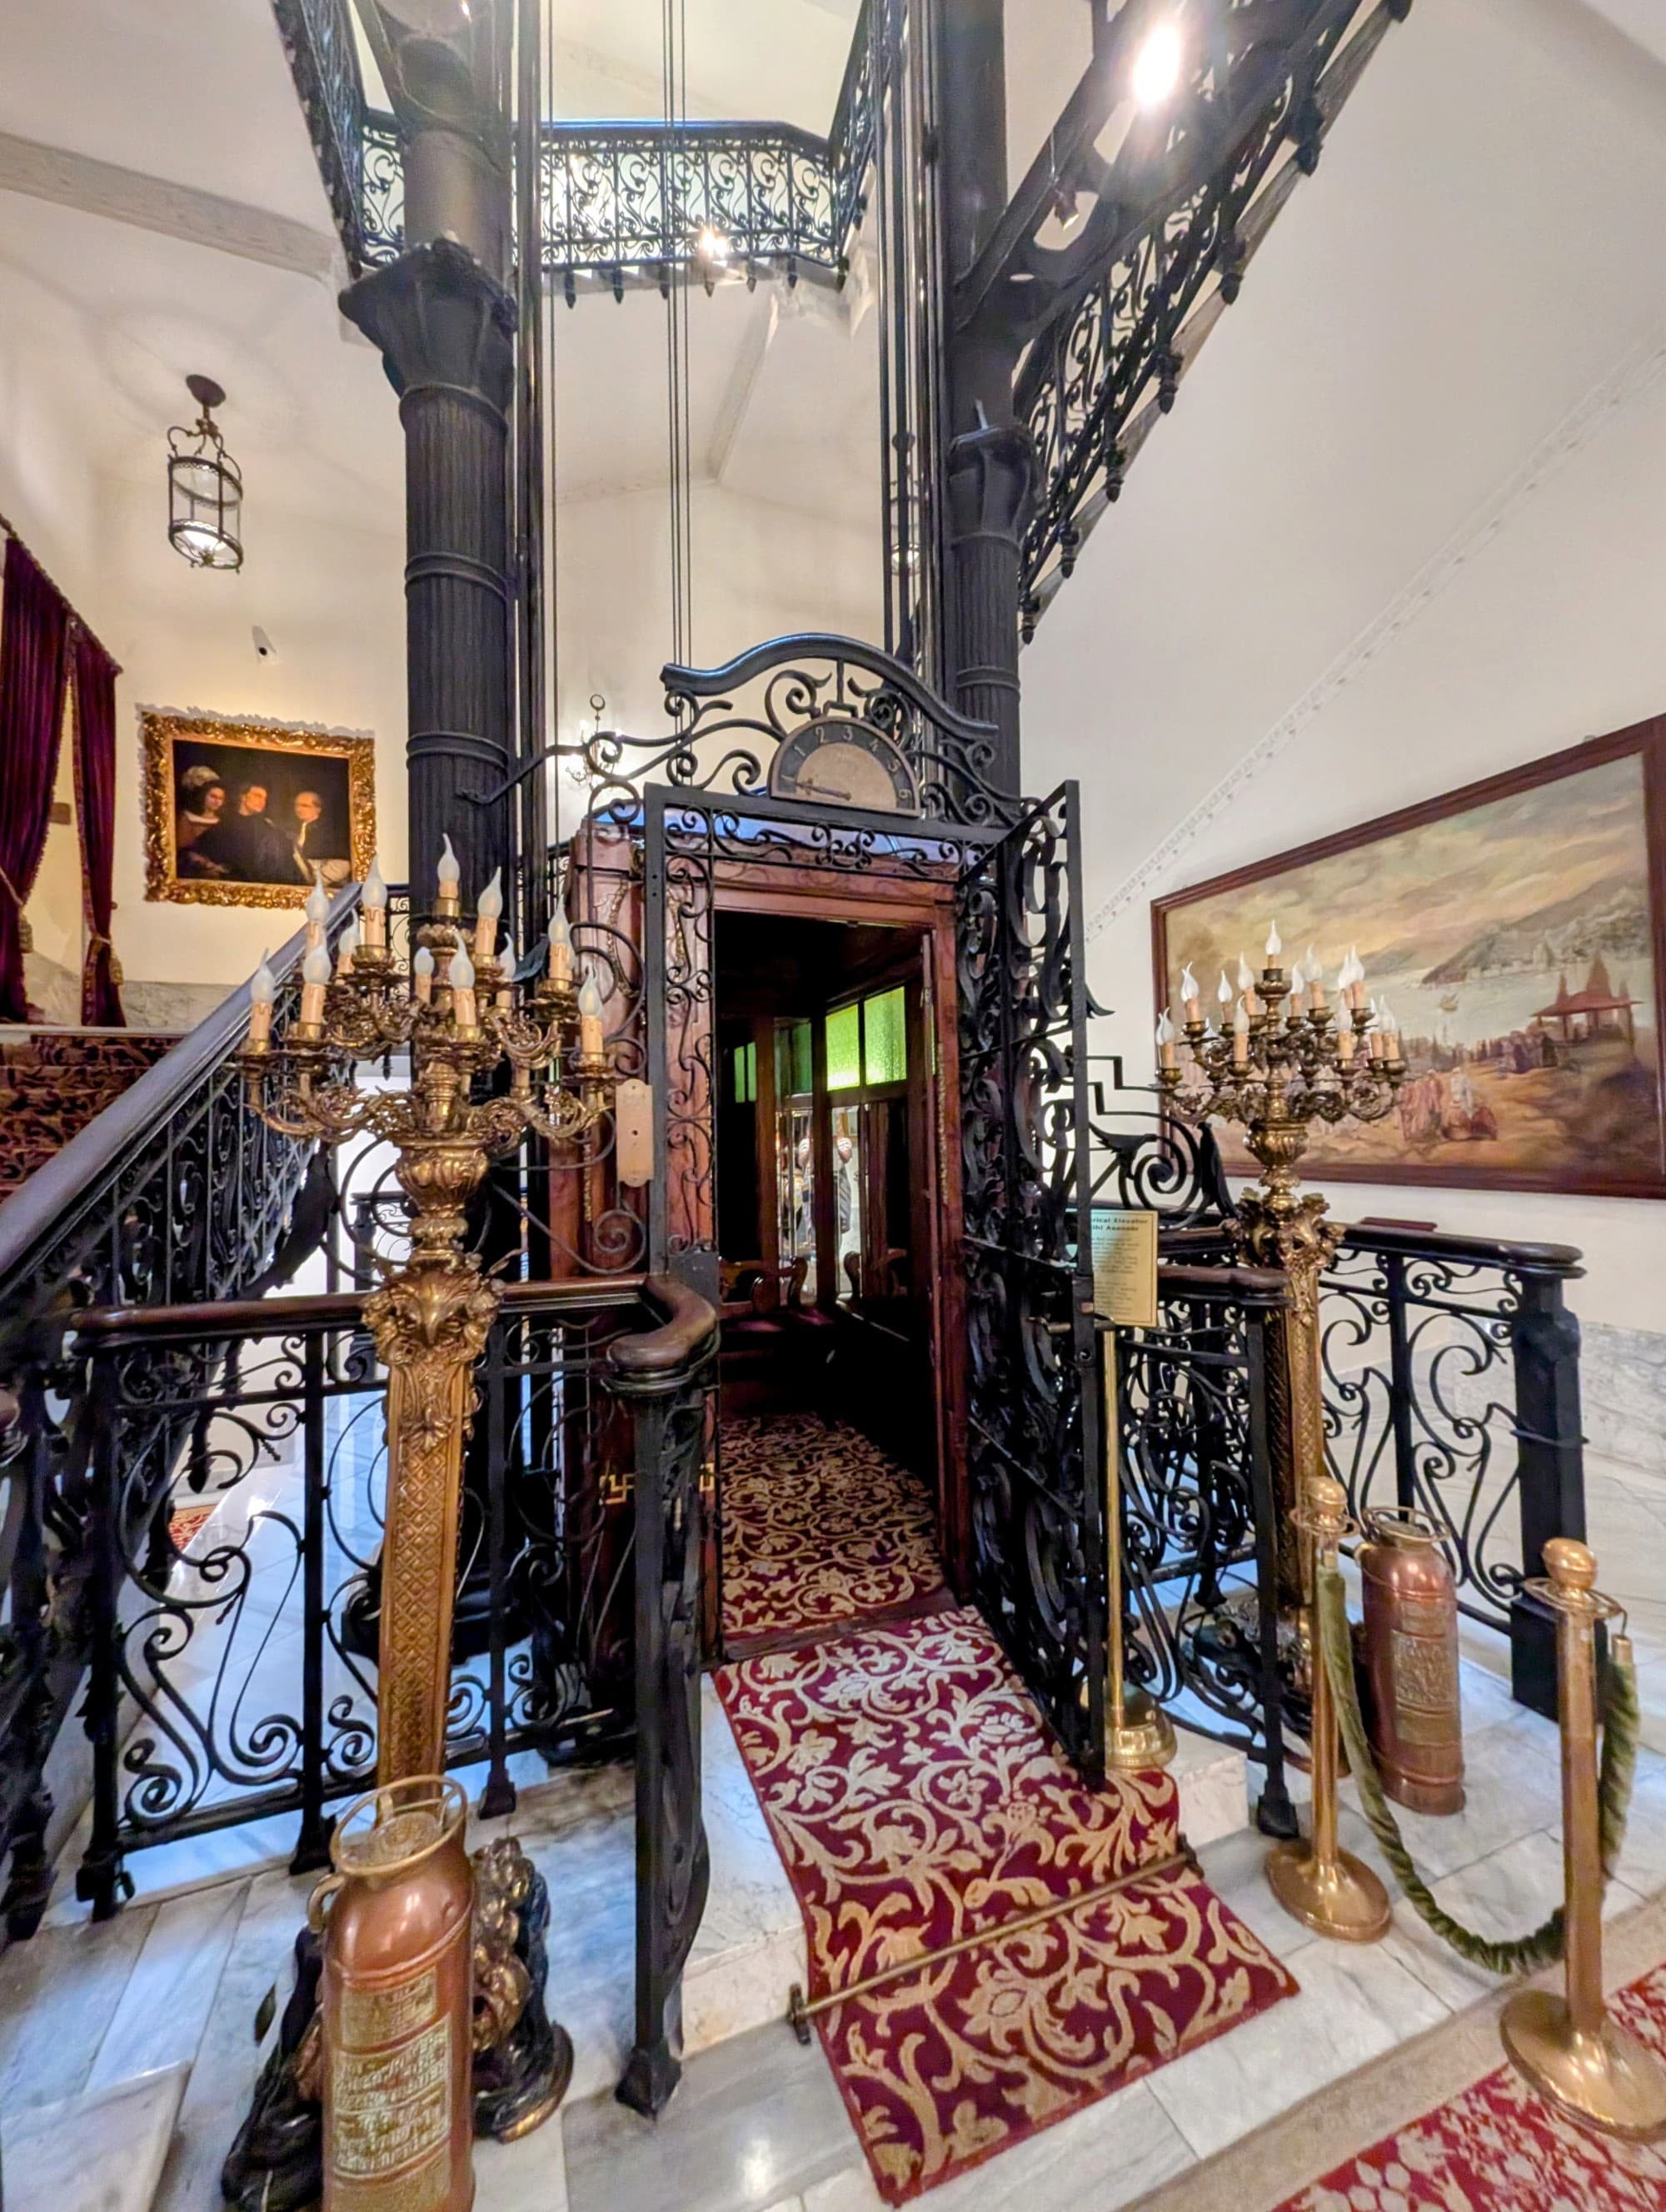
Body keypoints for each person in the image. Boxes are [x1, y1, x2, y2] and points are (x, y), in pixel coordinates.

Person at [199, 780, 292, 883]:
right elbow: (198, 850)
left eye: (264, 798)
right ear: (243, 797)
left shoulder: (267, 826)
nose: (262, 802)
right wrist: (211, 866)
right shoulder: (226, 823)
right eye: (258, 796)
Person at [287, 790, 351, 888]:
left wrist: (317, 881)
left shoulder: (330, 832)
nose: (298, 809)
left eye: (305, 806)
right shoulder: (293, 830)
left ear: (318, 809)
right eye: (297, 805)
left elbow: (342, 864)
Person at [175, 767, 230, 878]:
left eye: (221, 798)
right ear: (203, 796)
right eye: (213, 796)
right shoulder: (187, 818)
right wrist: (206, 864)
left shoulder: (225, 822)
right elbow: (184, 851)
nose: (217, 801)